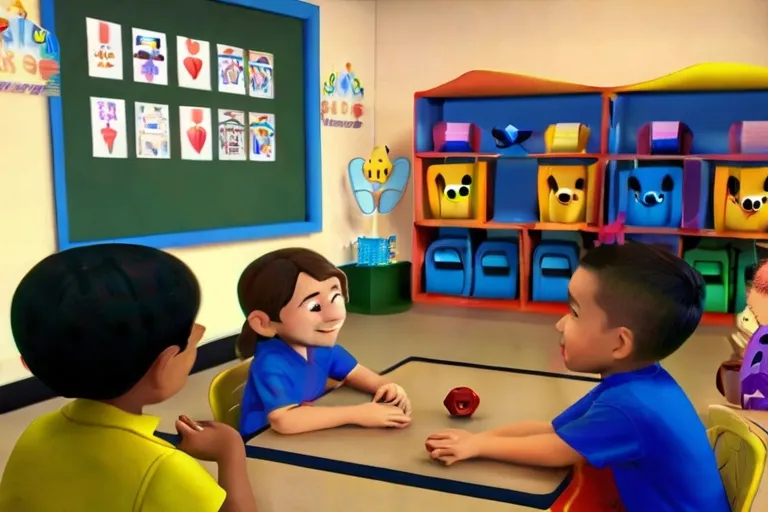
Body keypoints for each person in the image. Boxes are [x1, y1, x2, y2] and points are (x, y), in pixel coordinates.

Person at [425, 242, 730, 512]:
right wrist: (477, 439)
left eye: (574, 312)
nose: (559, 324)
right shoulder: (637, 382)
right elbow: (553, 431)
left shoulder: (629, 406)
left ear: (620, 343)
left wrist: (478, 448)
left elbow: (557, 451)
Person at [0, 244, 258, 512]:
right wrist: (230, 453)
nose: (201, 331)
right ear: (164, 365)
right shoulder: (163, 467)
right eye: (191, 330)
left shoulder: (35, 433)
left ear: (29, 364)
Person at [237, 248, 412, 438]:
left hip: (306, 436)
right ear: (263, 323)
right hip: (264, 446)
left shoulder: (321, 347)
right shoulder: (271, 363)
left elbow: (355, 373)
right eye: (314, 307)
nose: (335, 315)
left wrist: (387, 386)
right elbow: (283, 420)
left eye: (335, 298)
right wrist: (358, 414)